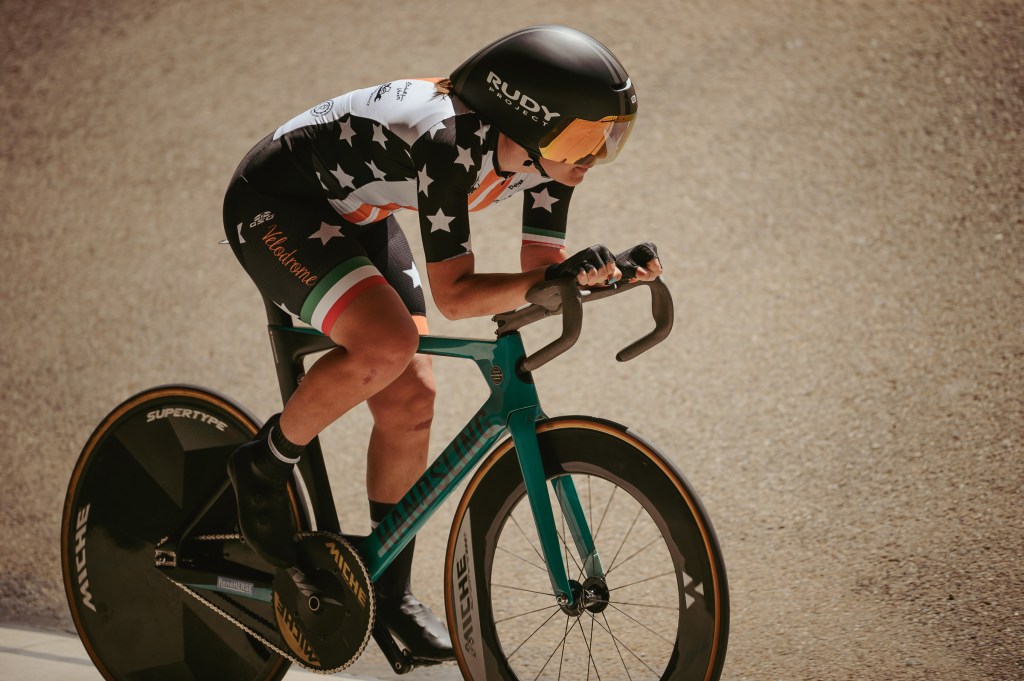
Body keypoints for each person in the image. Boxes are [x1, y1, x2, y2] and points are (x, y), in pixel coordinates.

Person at [221, 24, 662, 662]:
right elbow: (456, 296)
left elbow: (541, 272)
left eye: (609, 139)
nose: (592, 158)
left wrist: (606, 273)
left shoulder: (550, 158)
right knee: (387, 345)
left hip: (357, 211)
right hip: (275, 203)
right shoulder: (449, 145)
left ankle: (386, 592)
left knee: (411, 400)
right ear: (526, 120)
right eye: (582, 139)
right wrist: (553, 279)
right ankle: (264, 463)